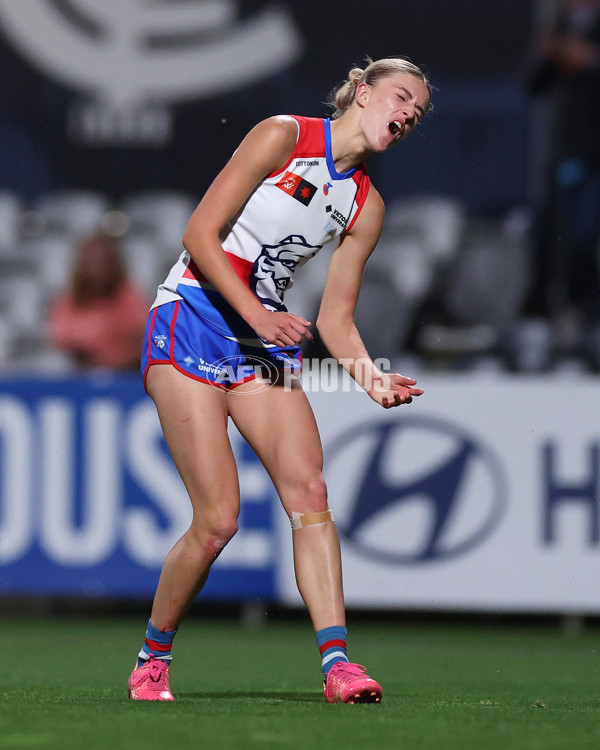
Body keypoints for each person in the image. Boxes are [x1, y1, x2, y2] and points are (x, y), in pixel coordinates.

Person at [127, 56, 432, 704]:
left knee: (309, 492)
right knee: (217, 521)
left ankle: (338, 666)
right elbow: (199, 235)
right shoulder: (283, 136)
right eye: (401, 96)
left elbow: (337, 321)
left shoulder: (365, 206)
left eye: (418, 111)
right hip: (191, 318)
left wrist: (370, 379)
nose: (407, 114)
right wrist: (261, 315)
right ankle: (153, 656)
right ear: (361, 89)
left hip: (258, 343)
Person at [527, 0, 600, 357]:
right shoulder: (556, 31)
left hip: (596, 156)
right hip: (566, 154)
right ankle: (563, 321)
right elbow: (532, 84)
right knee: (556, 238)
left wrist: (588, 58)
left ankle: (588, 315)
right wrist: (549, 52)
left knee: (586, 235)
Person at [48, 231, 149, 371]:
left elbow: (140, 342)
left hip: (125, 375)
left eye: (103, 261)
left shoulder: (130, 298)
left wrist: (108, 360)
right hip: (78, 376)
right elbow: (63, 341)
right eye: (91, 260)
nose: (98, 267)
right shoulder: (69, 300)